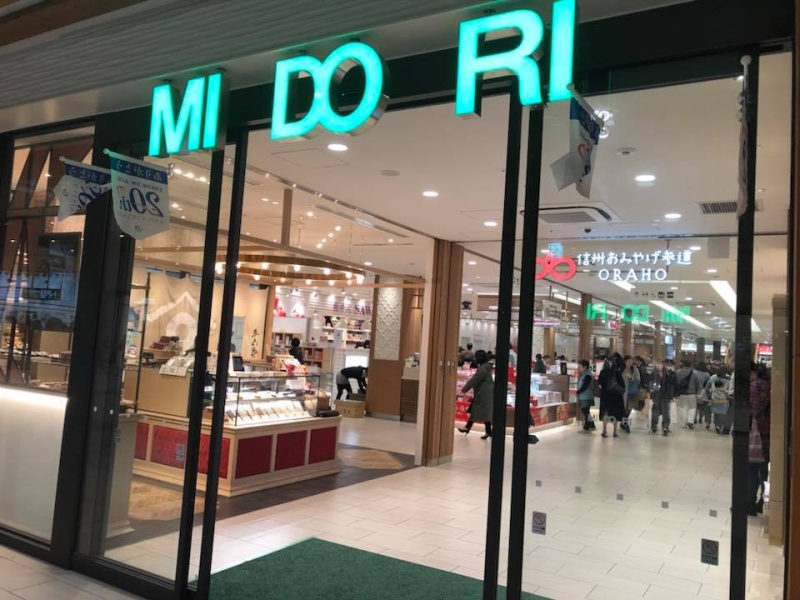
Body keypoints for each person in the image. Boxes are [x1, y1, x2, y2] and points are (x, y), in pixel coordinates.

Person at [748, 362, 771, 515]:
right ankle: (764, 502)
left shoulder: (754, 386)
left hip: (757, 433)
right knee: (765, 470)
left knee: (752, 468)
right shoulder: (773, 385)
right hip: (771, 433)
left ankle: (750, 501)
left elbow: (752, 410)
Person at [458, 350, 494, 439]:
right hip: (484, 393)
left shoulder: (482, 369)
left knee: (478, 410)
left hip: (483, 394)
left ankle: (468, 428)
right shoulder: (486, 366)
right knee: (479, 411)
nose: (474, 358)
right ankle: (486, 431)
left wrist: (463, 390)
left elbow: (474, 380)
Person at [598, 353, 626, 438]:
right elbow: (622, 384)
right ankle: (615, 431)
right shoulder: (617, 372)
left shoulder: (603, 372)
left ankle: (604, 430)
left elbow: (600, 383)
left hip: (605, 396)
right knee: (615, 414)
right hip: (616, 396)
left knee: (606, 413)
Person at [675, 359, 704, 429]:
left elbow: (675, 383)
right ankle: (690, 421)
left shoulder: (678, 373)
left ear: (683, 365)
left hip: (681, 393)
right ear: (690, 365)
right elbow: (698, 384)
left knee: (682, 408)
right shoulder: (694, 373)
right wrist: (697, 392)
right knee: (692, 408)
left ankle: (683, 423)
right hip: (691, 394)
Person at [649, 361, 676, 435]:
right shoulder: (653, 374)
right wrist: (651, 388)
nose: (659, 366)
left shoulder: (668, 374)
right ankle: (654, 426)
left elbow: (670, 385)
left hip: (665, 395)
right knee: (655, 410)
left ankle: (665, 427)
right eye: (658, 364)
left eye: (660, 364)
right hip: (656, 394)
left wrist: (671, 395)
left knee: (665, 411)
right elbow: (650, 382)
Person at [621, 355, 641, 433]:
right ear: (624, 362)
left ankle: (624, 423)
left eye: (631, 361)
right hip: (622, 391)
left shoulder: (635, 370)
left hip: (631, 391)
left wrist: (631, 378)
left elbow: (638, 380)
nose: (630, 363)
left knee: (628, 409)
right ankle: (624, 423)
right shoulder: (621, 369)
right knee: (623, 408)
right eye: (628, 361)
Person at [576, 360, 595, 432]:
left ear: (585, 367)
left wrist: (578, 391)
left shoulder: (587, 375)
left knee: (585, 411)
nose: (579, 368)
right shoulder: (585, 374)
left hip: (586, 396)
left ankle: (586, 426)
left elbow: (585, 386)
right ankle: (591, 424)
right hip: (585, 395)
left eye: (580, 366)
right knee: (586, 411)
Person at [694, 363, 712, 428]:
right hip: (703, 392)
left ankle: (695, 418)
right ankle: (700, 418)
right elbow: (709, 383)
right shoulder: (707, 374)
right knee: (702, 407)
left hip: (695, 390)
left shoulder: (694, 372)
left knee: (695, 406)